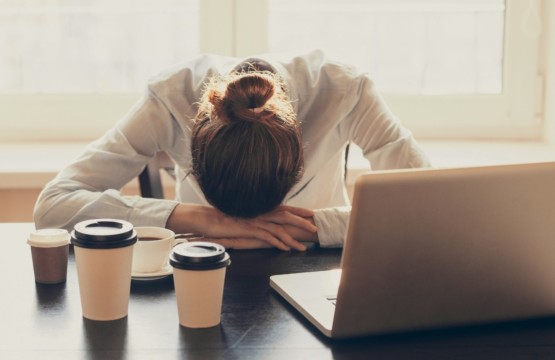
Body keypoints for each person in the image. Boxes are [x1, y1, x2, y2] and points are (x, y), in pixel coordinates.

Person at [34, 49, 431, 251]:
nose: (254, 225)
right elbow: (53, 206)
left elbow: (432, 204)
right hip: (203, 256)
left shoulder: (346, 90)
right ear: (195, 147)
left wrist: (314, 227)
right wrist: (199, 218)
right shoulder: (171, 95)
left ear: (298, 150)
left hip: (316, 263)